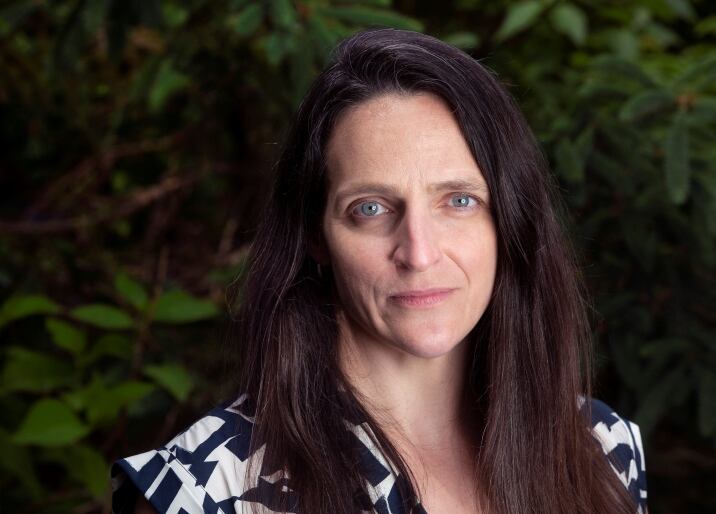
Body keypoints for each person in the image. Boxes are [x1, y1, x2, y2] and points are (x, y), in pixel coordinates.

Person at [110, 28, 648, 514]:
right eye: (370, 208)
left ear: (508, 220)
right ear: (317, 235)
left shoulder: (599, 448)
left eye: (458, 201)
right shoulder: (208, 488)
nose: (419, 253)